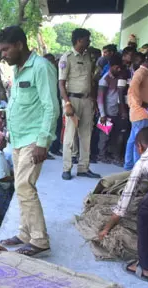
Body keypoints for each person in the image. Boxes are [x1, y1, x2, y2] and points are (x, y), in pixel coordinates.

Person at [0, 25, 57, 257]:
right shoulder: (18, 68)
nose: (3, 55)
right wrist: (5, 113)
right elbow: (21, 101)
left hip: (34, 138)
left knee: (24, 185)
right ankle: (25, 233)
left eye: (5, 50)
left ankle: (40, 240)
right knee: (19, 186)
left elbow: (51, 107)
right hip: (18, 137)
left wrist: (43, 142)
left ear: (19, 45)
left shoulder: (41, 67)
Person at [98, 128, 148, 280]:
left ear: (139, 146)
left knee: (145, 213)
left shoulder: (143, 160)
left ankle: (145, 268)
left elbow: (125, 200)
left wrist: (106, 228)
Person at [58, 28, 99, 180]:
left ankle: (83, 167)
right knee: (70, 135)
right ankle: (66, 168)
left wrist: (93, 100)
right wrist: (67, 103)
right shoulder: (66, 58)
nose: (89, 42)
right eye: (87, 39)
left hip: (87, 100)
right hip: (72, 100)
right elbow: (61, 84)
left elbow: (91, 80)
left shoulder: (89, 57)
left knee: (86, 135)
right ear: (79, 40)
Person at [125, 50, 148, 170]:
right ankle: (136, 168)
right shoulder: (141, 72)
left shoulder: (145, 72)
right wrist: (141, 103)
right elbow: (133, 88)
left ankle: (129, 165)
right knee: (139, 142)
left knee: (133, 140)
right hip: (142, 113)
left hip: (140, 112)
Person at [97, 54, 128, 162]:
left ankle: (108, 154)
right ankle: (101, 155)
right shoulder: (104, 79)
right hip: (106, 112)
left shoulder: (119, 77)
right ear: (111, 66)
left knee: (113, 136)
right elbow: (100, 99)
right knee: (104, 136)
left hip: (116, 111)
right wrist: (102, 114)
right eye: (116, 67)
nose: (119, 69)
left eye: (120, 67)